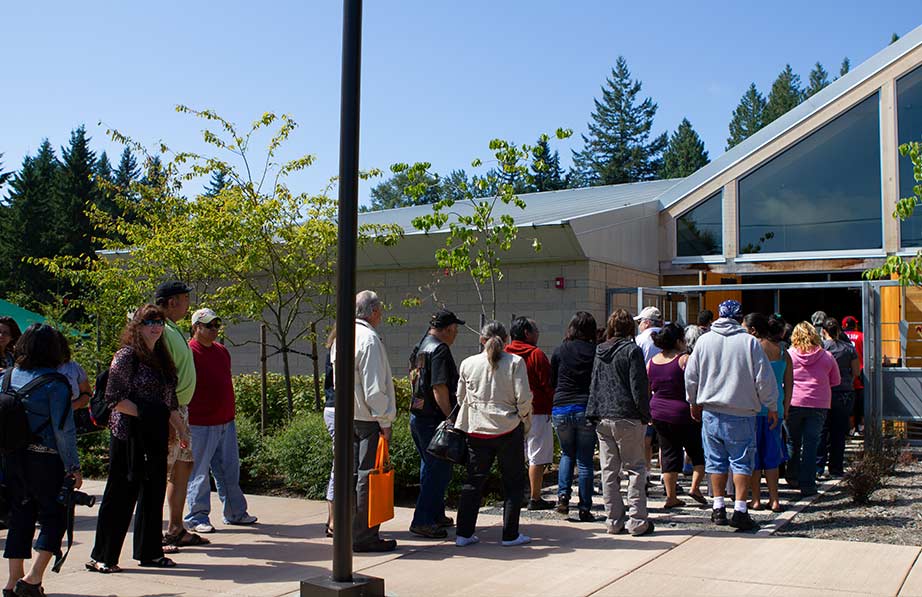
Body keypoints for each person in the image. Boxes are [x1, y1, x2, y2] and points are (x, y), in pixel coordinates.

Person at [87, 305, 189, 573]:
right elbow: (114, 399)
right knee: (121, 494)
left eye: (159, 322)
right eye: (149, 322)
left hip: (155, 434)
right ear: (136, 326)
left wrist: (180, 429)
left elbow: (169, 401)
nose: (155, 327)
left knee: (153, 493)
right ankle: (103, 556)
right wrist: (146, 413)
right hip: (128, 435)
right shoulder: (126, 356)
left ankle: (150, 552)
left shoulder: (162, 357)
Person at [685, 300, 778, 532]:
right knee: (741, 461)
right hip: (741, 411)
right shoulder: (749, 343)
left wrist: (693, 401)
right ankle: (740, 509)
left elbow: (691, 375)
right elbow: (763, 379)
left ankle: (718, 507)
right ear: (739, 318)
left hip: (711, 411)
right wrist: (772, 405)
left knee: (715, 460)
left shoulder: (704, 341)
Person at [2, 324, 79, 597]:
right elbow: (64, 431)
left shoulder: (8, 377)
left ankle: (12, 581)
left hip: (13, 458)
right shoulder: (56, 384)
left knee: (20, 517)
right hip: (46, 460)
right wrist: (73, 467)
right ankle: (33, 579)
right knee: (53, 517)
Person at [454, 322, 532, 547]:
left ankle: (464, 533)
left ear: (481, 339)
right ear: (506, 340)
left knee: (473, 482)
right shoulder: (516, 363)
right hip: (508, 427)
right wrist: (522, 418)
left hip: (477, 428)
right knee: (513, 483)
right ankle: (510, 534)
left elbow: (461, 398)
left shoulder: (468, 363)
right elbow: (524, 397)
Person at [332, 291, 398, 552]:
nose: (380, 314)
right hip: (369, 418)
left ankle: (348, 531)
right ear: (372, 312)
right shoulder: (369, 339)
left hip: (347, 414)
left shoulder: (342, 336)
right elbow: (373, 389)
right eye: (379, 310)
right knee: (368, 477)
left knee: (350, 475)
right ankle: (363, 536)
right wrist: (385, 420)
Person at [183, 308, 256, 535]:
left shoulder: (221, 351)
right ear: (196, 327)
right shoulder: (188, 352)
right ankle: (197, 517)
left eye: (216, 325)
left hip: (225, 421)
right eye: (209, 326)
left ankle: (235, 512)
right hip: (199, 423)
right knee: (199, 473)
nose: (214, 330)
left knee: (229, 470)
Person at [587, 309, 654, 536]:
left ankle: (613, 520)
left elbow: (595, 383)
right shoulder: (632, 351)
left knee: (609, 471)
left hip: (603, 415)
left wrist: (592, 412)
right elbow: (638, 387)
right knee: (635, 469)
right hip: (627, 415)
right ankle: (637, 521)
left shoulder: (599, 350)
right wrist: (645, 414)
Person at [155, 281, 207, 549]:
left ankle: (176, 527)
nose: (189, 304)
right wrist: (170, 414)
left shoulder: (173, 328)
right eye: (186, 299)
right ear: (172, 301)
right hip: (169, 411)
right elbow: (160, 374)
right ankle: (152, 536)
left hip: (181, 410)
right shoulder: (159, 329)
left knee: (183, 465)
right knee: (161, 470)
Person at [407, 308, 464, 539]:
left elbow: (412, 377)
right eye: (455, 329)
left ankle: (436, 513)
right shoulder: (440, 350)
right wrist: (451, 417)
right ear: (448, 329)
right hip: (434, 420)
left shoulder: (421, 345)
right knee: (438, 471)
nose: (456, 334)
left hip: (418, 416)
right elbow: (439, 388)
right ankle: (422, 520)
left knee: (429, 468)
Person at [647, 323, 706, 510]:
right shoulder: (684, 360)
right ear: (679, 341)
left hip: (659, 411)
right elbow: (694, 385)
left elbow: (648, 388)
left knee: (669, 453)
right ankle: (695, 488)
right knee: (697, 452)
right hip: (683, 412)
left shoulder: (652, 361)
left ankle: (671, 496)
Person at [743, 313, 793, 512]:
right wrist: (786, 406)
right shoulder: (783, 351)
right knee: (772, 455)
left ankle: (756, 499)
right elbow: (789, 383)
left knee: (755, 456)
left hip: (755, 407)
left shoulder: (755, 348)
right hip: (777, 408)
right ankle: (775, 499)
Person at [550, 312, 598, 520]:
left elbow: (553, 379)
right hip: (585, 406)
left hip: (561, 406)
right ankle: (585, 507)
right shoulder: (594, 352)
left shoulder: (560, 350)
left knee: (567, 454)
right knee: (585, 459)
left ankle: (563, 497)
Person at [505, 317, 555, 510]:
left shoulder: (505, 354)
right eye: (536, 331)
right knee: (537, 456)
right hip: (538, 410)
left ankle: (516, 495)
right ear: (527, 333)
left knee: (516, 455)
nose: (538, 334)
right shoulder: (536, 355)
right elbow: (547, 384)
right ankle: (535, 497)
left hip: (510, 411)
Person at [785, 322, 840, 497]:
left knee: (793, 442)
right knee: (811, 445)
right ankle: (808, 484)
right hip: (819, 404)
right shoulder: (827, 356)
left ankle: (792, 475)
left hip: (794, 402)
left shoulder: (789, 355)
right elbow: (836, 381)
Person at [817, 318, 859, 478]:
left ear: (823, 331)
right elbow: (856, 372)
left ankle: (818, 467)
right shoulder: (849, 348)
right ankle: (836, 468)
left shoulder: (821, 349)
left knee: (821, 430)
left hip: (824, 392)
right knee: (839, 432)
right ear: (839, 331)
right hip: (844, 392)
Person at [54, 329, 92, 410]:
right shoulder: (35, 370)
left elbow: (87, 393)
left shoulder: (73, 367)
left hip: (73, 417)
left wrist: (73, 406)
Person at [322, 329, 336, 537]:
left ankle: (332, 520)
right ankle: (334, 521)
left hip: (332, 409)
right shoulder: (342, 349)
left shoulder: (333, 348)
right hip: (339, 410)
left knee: (341, 465)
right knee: (341, 467)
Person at [842, 316, 865, 436]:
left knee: (848, 404)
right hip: (861, 374)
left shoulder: (840, 338)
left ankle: (850, 429)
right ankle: (861, 428)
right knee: (861, 405)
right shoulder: (862, 336)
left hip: (846, 375)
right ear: (855, 325)